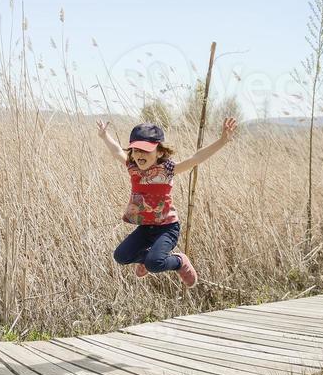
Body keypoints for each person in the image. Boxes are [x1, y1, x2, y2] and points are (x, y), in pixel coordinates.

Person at [95, 116, 238, 288]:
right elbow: (117, 151)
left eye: (146, 150)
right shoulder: (133, 168)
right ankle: (147, 258)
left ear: (160, 152)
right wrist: (104, 136)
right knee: (121, 256)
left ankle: (179, 261)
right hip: (146, 227)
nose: (140, 154)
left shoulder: (167, 169)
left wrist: (222, 141)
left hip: (167, 228)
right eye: (136, 150)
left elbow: (195, 159)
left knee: (154, 264)